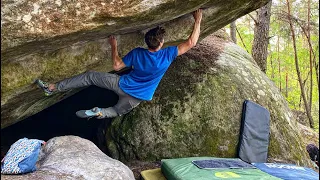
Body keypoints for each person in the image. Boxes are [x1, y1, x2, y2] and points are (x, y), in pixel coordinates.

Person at [36, 9, 202, 119]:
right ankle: (99, 112)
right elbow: (191, 42)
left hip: (121, 84)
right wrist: (198, 21)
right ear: (162, 43)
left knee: (90, 77)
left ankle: (52, 88)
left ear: (147, 43)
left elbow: (116, 66)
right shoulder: (167, 54)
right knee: (115, 111)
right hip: (136, 98)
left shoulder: (138, 52)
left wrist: (114, 46)